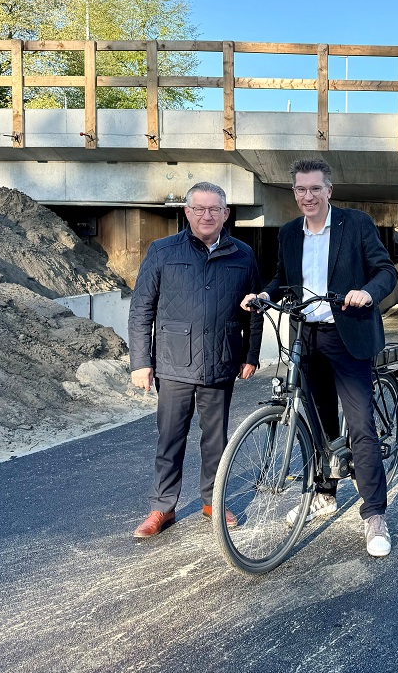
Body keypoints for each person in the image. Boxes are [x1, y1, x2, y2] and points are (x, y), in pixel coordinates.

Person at [241, 159, 398, 558]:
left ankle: (375, 514)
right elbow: (281, 279)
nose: (306, 197)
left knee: (360, 425)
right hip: (305, 337)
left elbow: (386, 272)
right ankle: (324, 494)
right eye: (300, 190)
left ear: (329, 191)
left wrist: (367, 293)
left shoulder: (356, 224)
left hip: (348, 336)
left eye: (314, 189)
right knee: (317, 423)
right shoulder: (290, 233)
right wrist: (265, 297)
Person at [129, 182, 263, 539]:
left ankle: (212, 501)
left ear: (226, 214)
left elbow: (254, 310)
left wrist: (251, 354)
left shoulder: (243, 254)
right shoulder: (162, 251)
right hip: (173, 364)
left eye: (214, 209)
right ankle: (162, 508)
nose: (207, 215)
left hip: (221, 361)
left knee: (216, 439)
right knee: (170, 438)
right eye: (199, 209)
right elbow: (142, 308)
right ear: (187, 212)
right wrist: (141, 361)